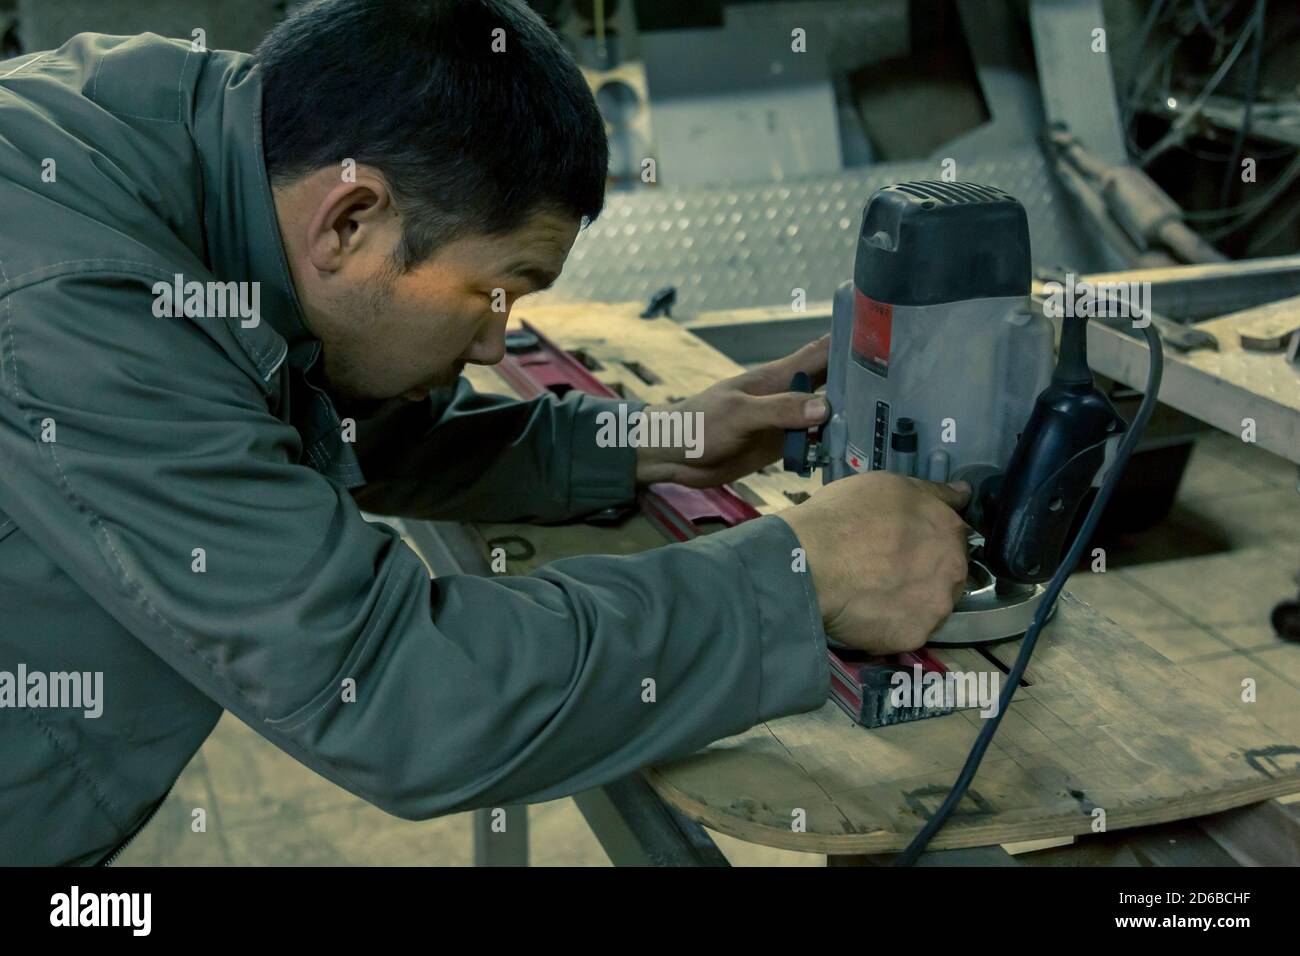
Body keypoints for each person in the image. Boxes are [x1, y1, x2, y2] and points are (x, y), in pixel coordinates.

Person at [0, 0, 969, 865]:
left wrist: (647, 437)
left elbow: (277, 414)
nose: (492, 342)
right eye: (496, 290)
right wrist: (801, 575)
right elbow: (389, 694)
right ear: (351, 221)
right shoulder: (78, 301)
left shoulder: (187, 145)